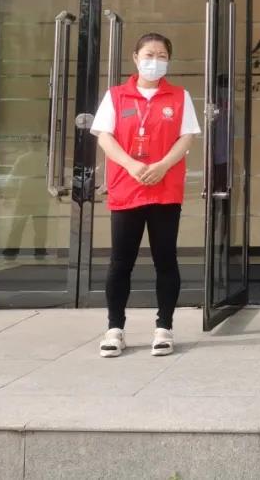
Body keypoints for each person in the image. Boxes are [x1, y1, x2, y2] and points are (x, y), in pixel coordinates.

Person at [90, 32, 200, 357]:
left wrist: (163, 165)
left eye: (162, 56)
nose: (155, 61)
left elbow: (187, 138)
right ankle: (115, 329)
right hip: (127, 189)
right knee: (120, 262)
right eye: (149, 55)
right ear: (135, 58)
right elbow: (104, 137)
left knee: (165, 260)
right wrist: (131, 165)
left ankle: (164, 327)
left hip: (165, 190)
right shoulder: (116, 96)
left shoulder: (179, 97)